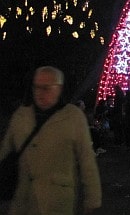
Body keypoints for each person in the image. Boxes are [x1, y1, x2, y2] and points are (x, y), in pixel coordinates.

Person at [0, 66, 101, 214]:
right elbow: (5, 151)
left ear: (58, 89)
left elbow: (87, 160)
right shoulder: (21, 115)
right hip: (23, 200)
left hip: (56, 201)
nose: (40, 93)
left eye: (46, 88)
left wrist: (92, 198)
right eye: (37, 87)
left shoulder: (73, 117)